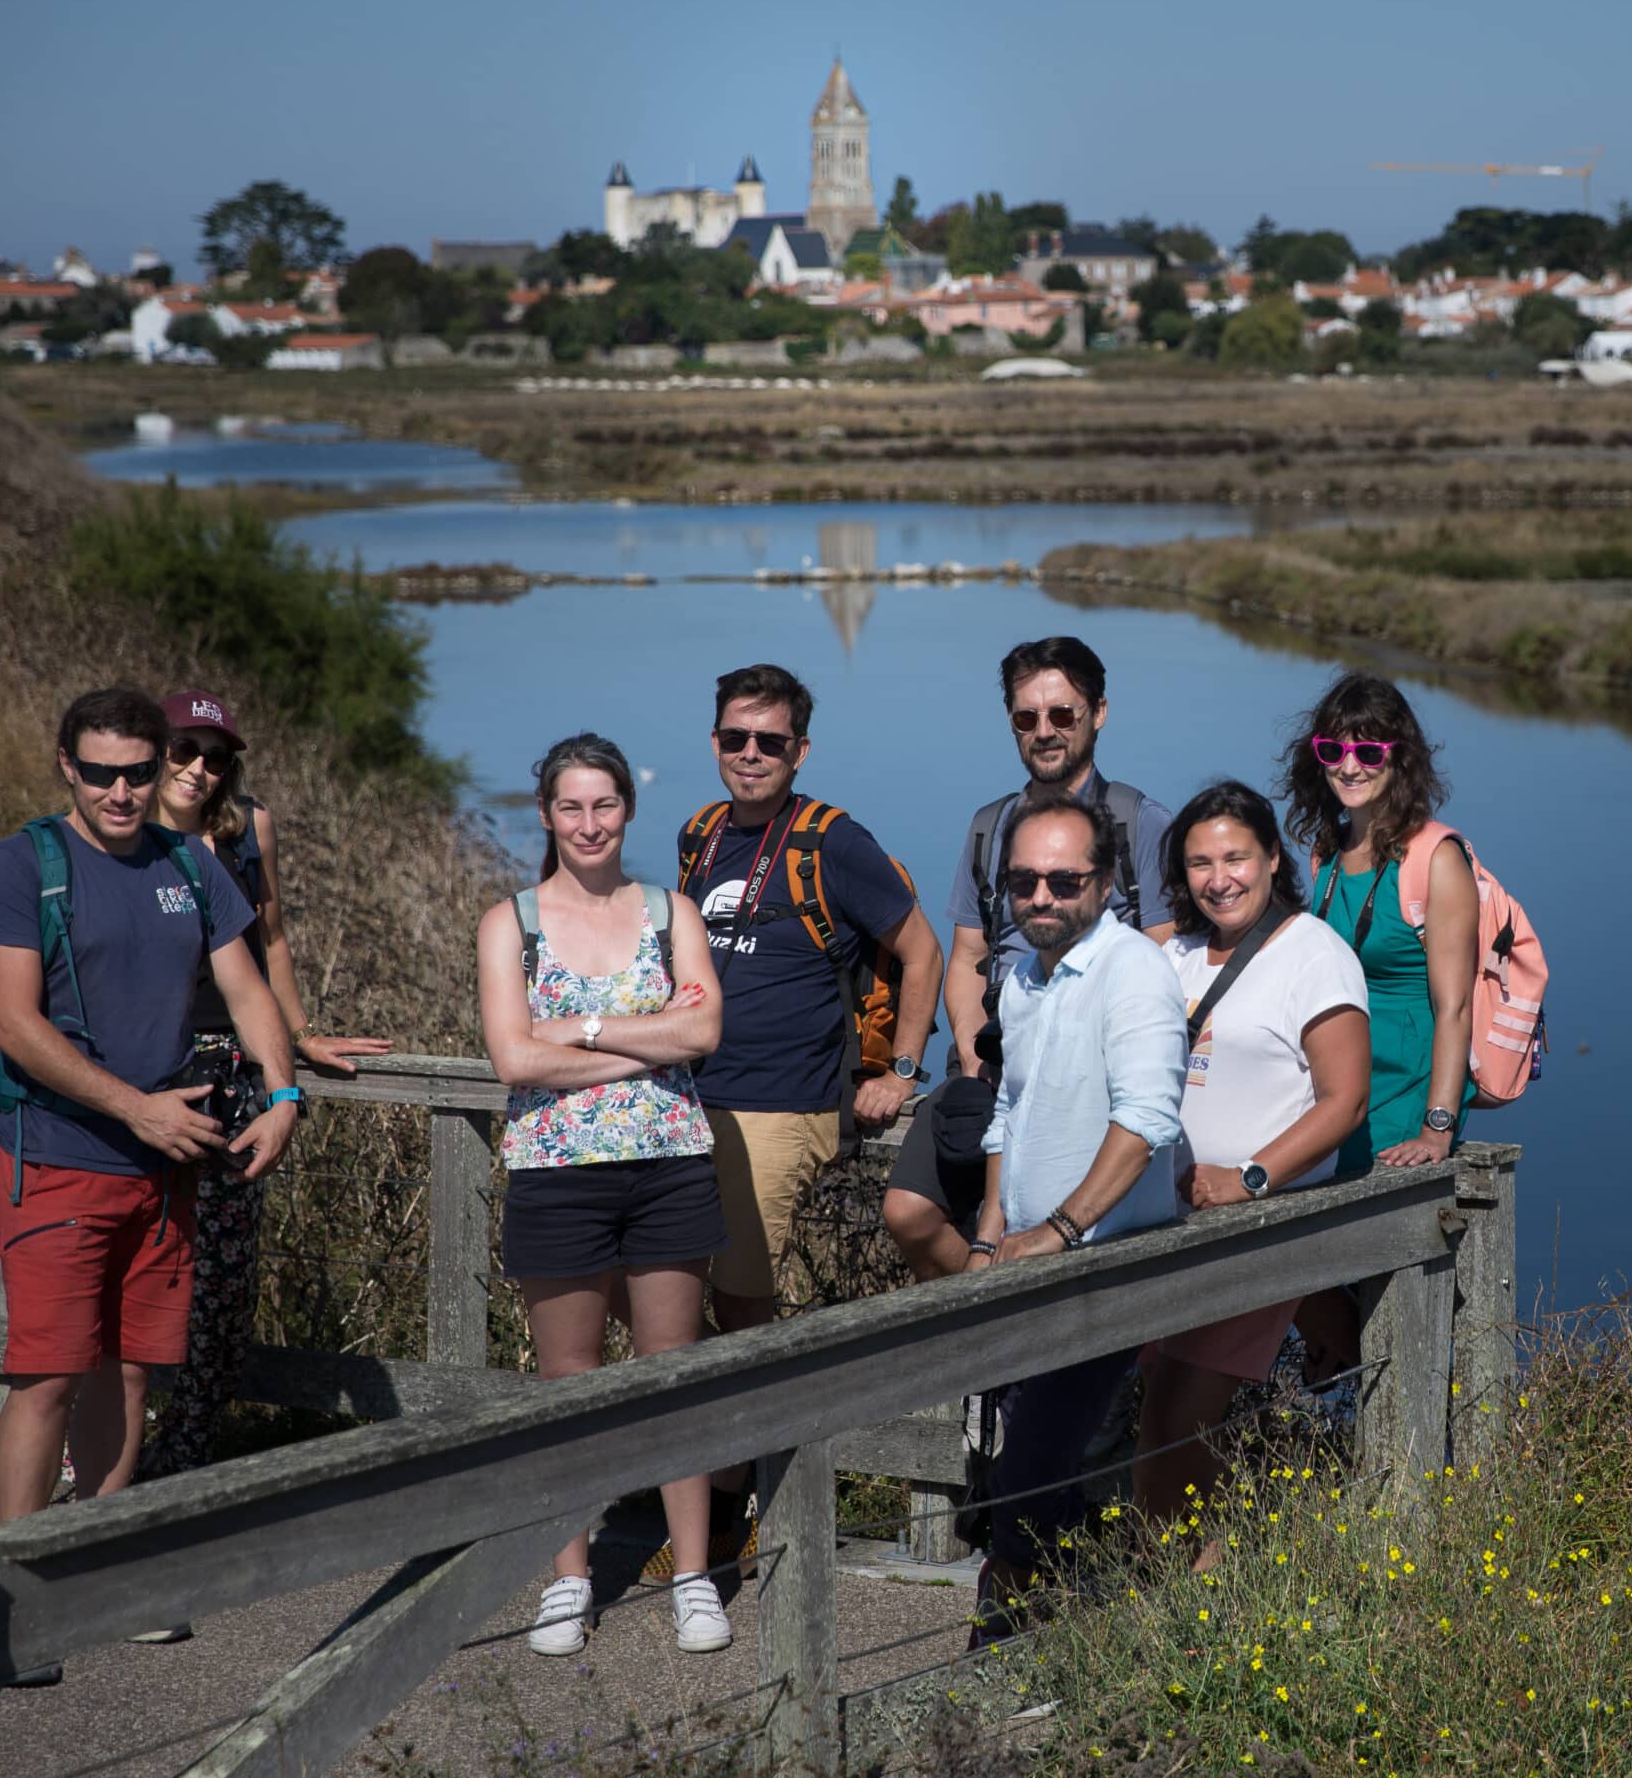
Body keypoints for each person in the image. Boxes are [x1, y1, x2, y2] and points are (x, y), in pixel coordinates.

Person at [0, 689, 300, 1541]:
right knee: (49, 1377)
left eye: (138, 772)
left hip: (163, 1167)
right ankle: (15, 1577)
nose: (121, 792)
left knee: (132, 1374)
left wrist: (285, 1095)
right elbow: (15, 1026)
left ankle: (98, 1569)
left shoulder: (191, 863)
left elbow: (249, 990)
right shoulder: (21, 866)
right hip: (60, 1155)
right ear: (68, 767)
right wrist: (135, 1109)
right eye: (101, 773)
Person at [672, 663, 943, 1571]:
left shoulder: (832, 842)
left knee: (746, 1310)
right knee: (683, 1304)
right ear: (714, 743)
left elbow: (920, 947)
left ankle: (726, 1519)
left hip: (784, 1109)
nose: (752, 756)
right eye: (736, 739)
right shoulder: (701, 835)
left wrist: (901, 1071)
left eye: (771, 742)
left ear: (800, 750)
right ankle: (706, 1500)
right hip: (692, 1104)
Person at [478, 733, 734, 1658]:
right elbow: (513, 1056)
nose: (589, 824)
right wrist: (644, 1044)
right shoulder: (511, 922)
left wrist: (583, 1030)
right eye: (571, 807)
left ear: (629, 809)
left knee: (674, 1374)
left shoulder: (672, 912)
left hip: (669, 1165)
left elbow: (703, 1028)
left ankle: (695, 1577)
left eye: (605, 805)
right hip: (556, 1175)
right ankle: (570, 1578)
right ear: (545, 815)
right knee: (567, 1386)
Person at [135, 690, 392, 1480]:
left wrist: (300, 1034)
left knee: (220, 1272)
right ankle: (106, 1450)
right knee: (138, 1255)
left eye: (215, 756)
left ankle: (186, 1452)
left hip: (234, 1065)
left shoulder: (248, 826)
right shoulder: (123, 832)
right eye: (184, 750)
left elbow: (271, 935)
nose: (199, 769)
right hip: (144, 1065)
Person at [965, 784, 1186, 1637]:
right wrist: (992, 1232)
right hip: (1026, 1262)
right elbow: (1009, 1112)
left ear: (1105, 881)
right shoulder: (1023, 974)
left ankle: (1013, 1644)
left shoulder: (1134, 972)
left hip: (1102, 1266)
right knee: (1032, 1461)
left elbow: (1147, 1119)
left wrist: (1059, 1232)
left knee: (1032, 1462)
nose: (1042, 899)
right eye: (1024, 883)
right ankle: (1054, 1639)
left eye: (1064, 881)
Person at [884, 634, 1172, 1280]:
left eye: (1062, 714)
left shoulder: (1136, 822)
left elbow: (1165, 957)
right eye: (1027, 718)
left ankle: (1000, 1346)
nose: (1045, 731)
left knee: (1061, 1239)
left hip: (1087, 1067)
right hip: (995, 1062)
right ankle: (982, 1329)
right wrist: (971, 1050)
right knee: (907, 1208)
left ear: (1098, 713)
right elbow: (967, 958)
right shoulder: (992, 827)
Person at [1131, 781, 1369, 1528]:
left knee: (1173, 1419)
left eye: (1236, 856)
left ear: (1273, 858)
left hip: (1254, 1229)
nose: (1219, 878)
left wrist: (1252, 1178)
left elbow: (1344, 1100)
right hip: (1167, 1226)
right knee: (1165, 1421)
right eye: (1200, 862)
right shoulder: (1177, 953)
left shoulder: (1313, 956)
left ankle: (1185, 1600)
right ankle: (1205, 1589)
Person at [1280, 672, 1479, 1382]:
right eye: (1333, 749)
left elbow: (1455, 1007)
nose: (1350, 766)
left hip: (1403, 1100)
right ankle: (1347, 1377)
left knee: (1378, 1280)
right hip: (1339, 1093)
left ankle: (1388, 1410)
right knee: (1281, 1248)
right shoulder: (1326, 854)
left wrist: (1437, 1126)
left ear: (1400, 755)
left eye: (1369, 750)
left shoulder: (1436, 857)